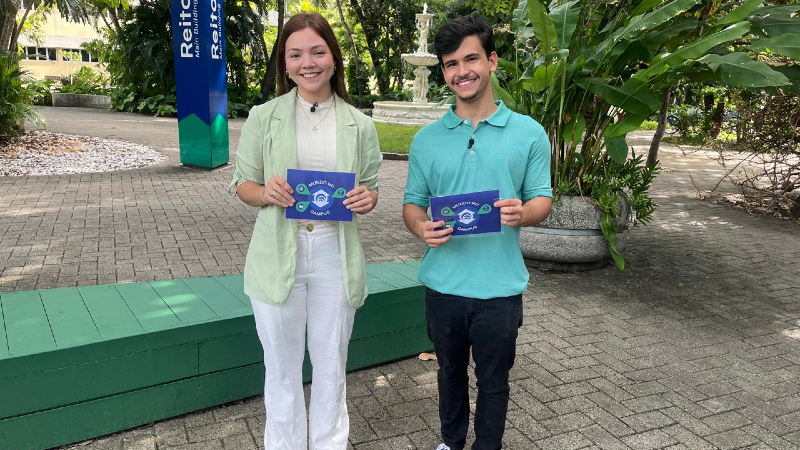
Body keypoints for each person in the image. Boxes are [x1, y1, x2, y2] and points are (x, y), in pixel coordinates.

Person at [229, 12, 382, 450]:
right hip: (280, 252)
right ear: (285, 63)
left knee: (332, 364)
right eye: (295, 54)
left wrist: (367, 200)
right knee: (280, 365)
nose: (307, 62)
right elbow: (243, 185)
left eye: (317, 51)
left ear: (334, 57)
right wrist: (265, 192)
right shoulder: (264, 116)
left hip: (335, 253)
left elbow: (369, 189)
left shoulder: (360, 123)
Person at [402, 15, 553, 450]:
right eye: (451, 64)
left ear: (492, 61)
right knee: (448, 373)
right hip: (443, 285)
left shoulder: (528, 133)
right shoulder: (427, 140)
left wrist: (522, 213)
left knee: (493, 380)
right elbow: (412, 205)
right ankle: (451, 442)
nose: (461, 71)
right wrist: (421, 228)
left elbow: (542, 199)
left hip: (500, 287)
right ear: (444, 72)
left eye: (471, 59)